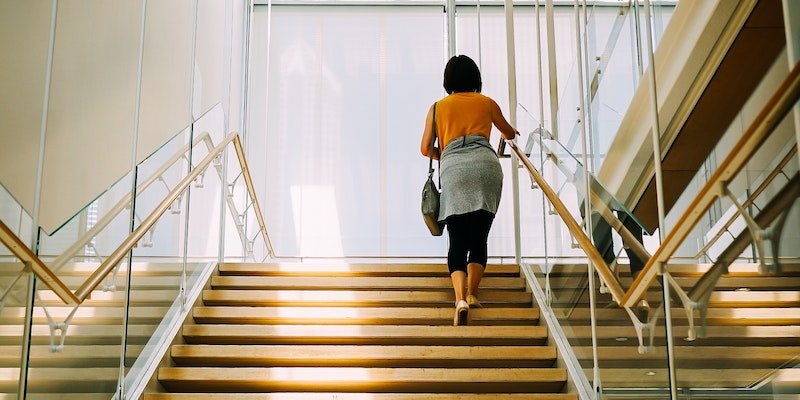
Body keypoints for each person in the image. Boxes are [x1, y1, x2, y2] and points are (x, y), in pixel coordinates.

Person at [420, 55, 518, 326]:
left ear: (447, 80)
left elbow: (426, 148)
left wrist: (450, 154)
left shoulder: (437, 108)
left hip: (454, 171)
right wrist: (504, 134)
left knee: (457, 241)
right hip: (486, 167)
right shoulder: (486, 103)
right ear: (476, 77)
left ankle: (460, 299)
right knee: (479, 238)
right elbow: (509, 133)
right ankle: (474, 293)